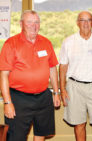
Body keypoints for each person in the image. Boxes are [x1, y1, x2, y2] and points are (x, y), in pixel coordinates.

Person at [0, 10, 61, 141]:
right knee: (16, 137)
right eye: (29, 22)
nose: (34, 26)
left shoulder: (46, 42)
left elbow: (52, 68)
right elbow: (4, 75)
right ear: (21, 24)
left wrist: (56, 92)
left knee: (41, 133)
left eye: (37, 22)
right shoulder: (11, 44)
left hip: (43, 97)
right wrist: (7, 102)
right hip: (19, 98)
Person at [59, 11, 92, 141]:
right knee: (79, 124)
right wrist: (62, 89)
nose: (86, 23)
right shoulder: (68, 41)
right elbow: (63, 66)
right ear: (77, 23)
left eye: (89, 20)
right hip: (75, 87)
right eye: (82, 20)